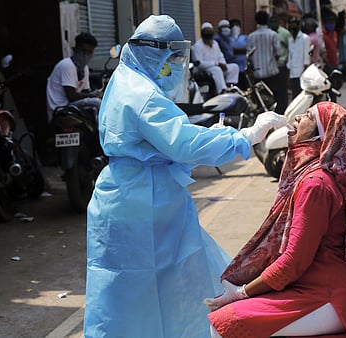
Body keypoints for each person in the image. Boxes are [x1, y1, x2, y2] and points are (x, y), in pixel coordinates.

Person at [83, 15, 286, 338]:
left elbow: (160, 141)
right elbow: (184, 144)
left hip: (125, 197)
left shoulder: (126, 80)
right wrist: (244, 137)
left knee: (124, 291)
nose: (176, 66)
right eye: (173, 57)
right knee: (172, 284)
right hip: (146, 206)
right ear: (155, 53)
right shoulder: (143, 95)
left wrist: (212, 135)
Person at [204, 101, 346, 338]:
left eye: (309, 116)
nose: (298, 117)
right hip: (312, 288)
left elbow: (293, 262)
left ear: (322, 135)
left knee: (224, 323)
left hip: (328, 296)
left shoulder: (315, 185)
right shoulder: (313, 177)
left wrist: (243, 292)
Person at [46, 32, 101, 124]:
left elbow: (85, 92)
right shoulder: (67, 65)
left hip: (72, 105)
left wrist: (93, 94)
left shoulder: (85, 68)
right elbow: (71, 96)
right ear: (75, 50)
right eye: (83, 51)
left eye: (89, 52)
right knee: (97, 103)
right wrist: (93, 96)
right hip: (61, 108)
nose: (86, 55)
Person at [192, 22, 239, 94]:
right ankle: (222, 91)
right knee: (217, 69)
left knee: (234, 67)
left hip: (217, 66)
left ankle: (231, 87)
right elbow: (199, 63)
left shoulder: (215, 43)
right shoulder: (198, 46)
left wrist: (224, 64)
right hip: (204, 69)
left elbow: (220, 55)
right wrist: (216, 64)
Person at [247, 11, 281, 106]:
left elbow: (248, 57)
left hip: (257, 74)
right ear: (267, 20)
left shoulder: (251, 37)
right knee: (274, 97)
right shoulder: (273, 35)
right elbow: (278, 53)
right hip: (271, 72)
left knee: (260, 100)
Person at [269, 15, 292, 115]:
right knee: (273, 90)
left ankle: (284, 111)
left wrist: (287, 61)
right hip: (270, 67)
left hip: (281, 65)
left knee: (283, 89)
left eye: (275, 21)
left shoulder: (285, 33)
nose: (274, 22)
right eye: (272, 21)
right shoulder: (268, 33)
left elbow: (290, 48)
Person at [287, 17, 311, 100]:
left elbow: (306, 57)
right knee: (294, 97)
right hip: (293, 73)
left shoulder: (305, 38)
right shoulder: (290, 40)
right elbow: (290, 56)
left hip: (301, 73)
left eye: (294, 25)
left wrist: (304, 73)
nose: (292, 27)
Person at [229, 18, 248, 90]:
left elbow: (248, 49)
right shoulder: (228, 39)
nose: (235, 27)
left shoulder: (244, 37)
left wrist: (234, 50)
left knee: (244, 88)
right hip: (233, 69)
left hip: (243, 68)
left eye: (237, 25)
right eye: (233, 26)